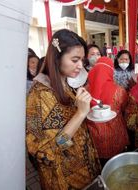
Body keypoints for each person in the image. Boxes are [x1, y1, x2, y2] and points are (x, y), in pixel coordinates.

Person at [26, 29, 100, 190]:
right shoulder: (38, 96)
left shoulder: (63, 83)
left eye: (81, 60)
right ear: (57, 58)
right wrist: (80, 114)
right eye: (75, 60)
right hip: (63, 180)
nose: (80, 65)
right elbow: (46, 152)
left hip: (83, 170)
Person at [86, 57, 129, 166]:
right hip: (115, 134)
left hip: (94, 136)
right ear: (111, 71)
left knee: (99, 165)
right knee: (116, 164)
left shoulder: (85, 90)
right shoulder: (119, 91)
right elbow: (124, 108)